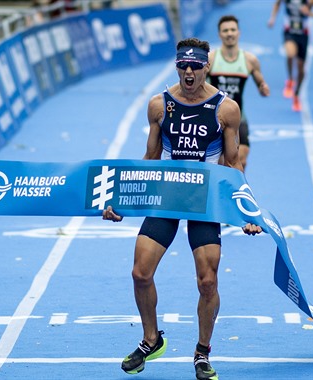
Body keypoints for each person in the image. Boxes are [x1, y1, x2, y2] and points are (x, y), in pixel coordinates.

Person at [102, 37, 262, 380]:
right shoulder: (160, 105)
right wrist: (120, 201)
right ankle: (150, 340)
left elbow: (233, 166)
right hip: (168, 197)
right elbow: (149, 160)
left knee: (208, 281)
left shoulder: (225, 109)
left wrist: (246, 214)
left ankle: (202, 353)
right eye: (183, 65)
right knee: (140, 273)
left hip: (204, 202)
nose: (189, 72)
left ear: (207, 67)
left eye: (195, 65)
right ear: (177, 66)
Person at [208, 15, 270, 171]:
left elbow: (261, 86)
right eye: (225, 30)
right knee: (220, 163)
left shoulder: (250, 60)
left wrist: (263, 88)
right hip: (214, 119)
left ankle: (237, 193)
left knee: (241, 159)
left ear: (239, 33)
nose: (229, 33)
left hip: (239, 117)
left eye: (232, 30)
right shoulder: (212, 59)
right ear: (219, 34)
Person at [268, 0, 313, 112]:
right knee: (290, 53)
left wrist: (310, 13)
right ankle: (290, 80)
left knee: (301, 69)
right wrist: (272, 18)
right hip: (289, 32)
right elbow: (277, 4)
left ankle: (297, 94)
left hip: (303, 35)